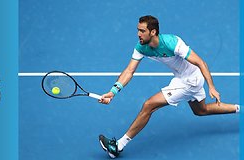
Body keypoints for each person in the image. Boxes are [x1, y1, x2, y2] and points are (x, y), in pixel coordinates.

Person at [98, 15, 240, 159]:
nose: (138, 34)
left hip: (191, 80)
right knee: (201, 110)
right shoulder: (141, 47)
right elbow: (129, 71)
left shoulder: (172, 43)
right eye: (138, 30)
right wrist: (113, 91)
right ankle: (240, 108)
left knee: (149, 105)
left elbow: (201, 63)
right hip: (182, 78)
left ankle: (118, 146)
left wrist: (212, 87)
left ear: (153, 32)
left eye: (142, 31)